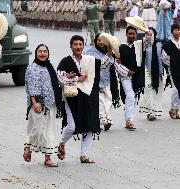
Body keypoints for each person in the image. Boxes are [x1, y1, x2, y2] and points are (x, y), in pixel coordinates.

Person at [57, 35, 114, 163]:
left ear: (83, 46)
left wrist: (110, 50)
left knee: (89, 125)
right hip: (71, 98)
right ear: (71, 46)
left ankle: (84, 155)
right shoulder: (65, 61)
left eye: (80, 44)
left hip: (89, 97)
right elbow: (60, 79)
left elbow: (105, 64)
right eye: (75, 44)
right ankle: (61, 143)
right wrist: (76, 78)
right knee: (72, 126)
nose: (78, 47)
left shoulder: (90, 60)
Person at [24, 44, 63, 167]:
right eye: (40, 51)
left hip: (51, 104)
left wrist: (69, 78)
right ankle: (28, 148)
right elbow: (30, 87)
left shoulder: (50, 67)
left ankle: (48, 158)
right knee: (37, 130)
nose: (42, 54)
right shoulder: (32, 68)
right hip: (38, 104)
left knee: (50, 131)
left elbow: (58, 82)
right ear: (36, 53)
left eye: (45, 51)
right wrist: (34, 103)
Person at [118, 26, 152, 130]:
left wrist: (148, 33)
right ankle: (129, 121)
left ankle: (128, 120)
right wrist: (127, 72)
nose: (131, 36)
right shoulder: (121, 47)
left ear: (136, 35)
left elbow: (148, 42)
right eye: (130, 34)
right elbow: (117, 63)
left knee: (134, 98)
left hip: (138, 77)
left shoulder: (139, 45)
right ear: (126, 34)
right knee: (130, 95)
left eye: (133, 34)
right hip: (125, 76)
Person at [84, 33, 120, 131]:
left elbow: (114, 65)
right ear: (95, 41)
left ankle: (106, 119)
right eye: (98, 40)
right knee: (99, 102)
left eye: (102, 40)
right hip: (95, 82)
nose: (100, 42)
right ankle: (104, 121)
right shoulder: (89, 51)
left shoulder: (109, 52)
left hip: (107, 81)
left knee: (108, 102)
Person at [139, 27, 164, 121]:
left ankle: (153, 111)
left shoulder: (160, 44)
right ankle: (150, 112)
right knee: (148, 90)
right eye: (148, 33)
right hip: (146, 70)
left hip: (158, 72)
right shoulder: (144, 44)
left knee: (157, 92)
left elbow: (164, 57)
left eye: (151, 33)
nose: (150, 35)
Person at [162, 24, 180, 119]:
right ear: (172, 31)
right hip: (173, 69)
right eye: (175, 30)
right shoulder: (168, 44)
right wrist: (173, 61)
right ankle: (173, 108)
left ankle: (177, 109)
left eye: (179, 30)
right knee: (176, 89)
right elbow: (164, 57)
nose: (177, 32)